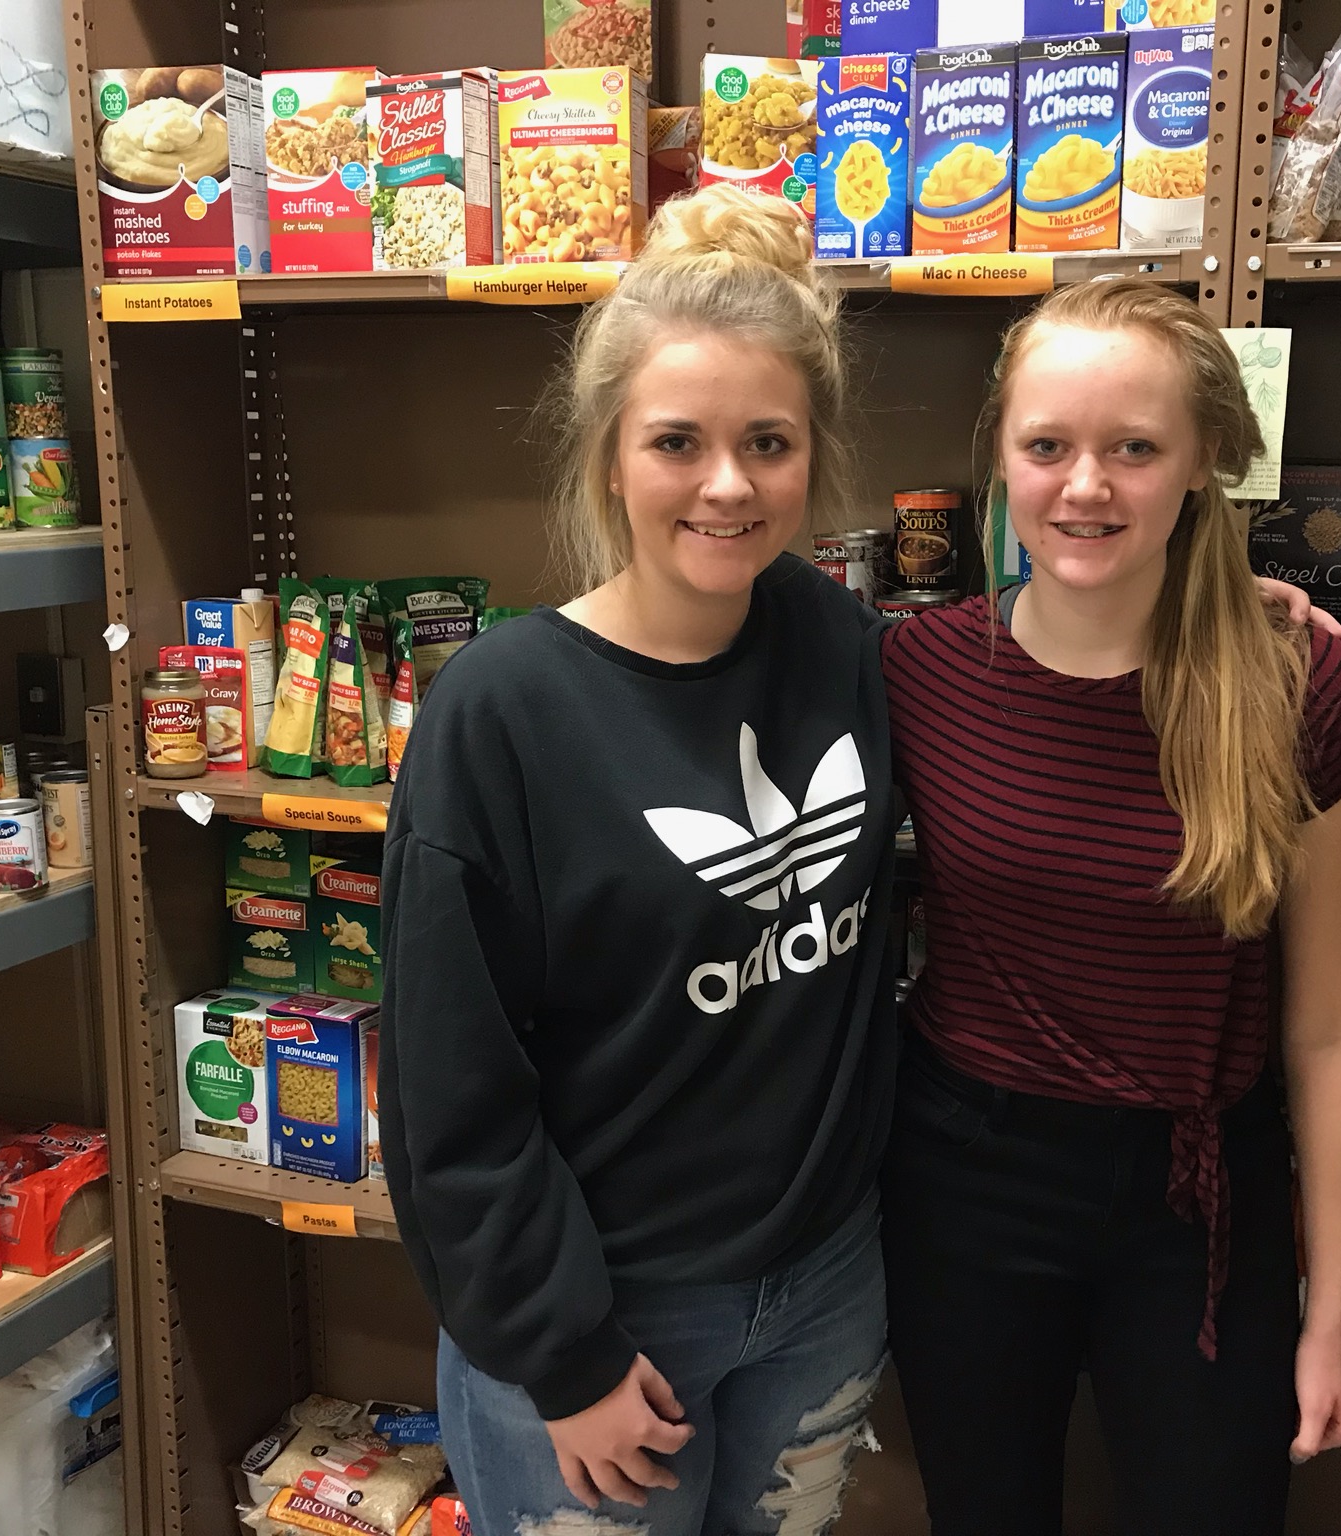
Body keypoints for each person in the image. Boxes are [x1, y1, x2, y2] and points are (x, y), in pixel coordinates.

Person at [376, 185, 897, 1536]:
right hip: (608, 1330)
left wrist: (1208, 610)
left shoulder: (837, 645)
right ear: (611, 454)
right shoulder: (500, 711)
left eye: (767, 444)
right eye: (679, 441)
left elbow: (1031, 675)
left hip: (824, 1292)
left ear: (811, 459)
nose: (727, 484)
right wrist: (567, 1357)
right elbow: (451, 1090)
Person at [878, 279, 1341, 1535]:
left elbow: (1328, 1029)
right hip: (964, 1187)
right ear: (998, 458)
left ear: (1204, 461)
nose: (1084, 487)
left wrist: (1329, 1320)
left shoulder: (1292, 679)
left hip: (1198, 1198)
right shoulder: (918, 668)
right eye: (1045, 446)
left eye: (1133, 448)